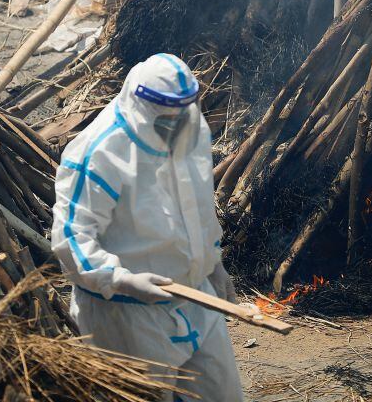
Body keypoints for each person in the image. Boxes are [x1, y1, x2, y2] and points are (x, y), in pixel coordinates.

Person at [52, 53, 243, 402]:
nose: (174, 126)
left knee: (222, 393)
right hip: (126, 315)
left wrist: (214, 264)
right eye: (164, 119)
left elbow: (199, 206)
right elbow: (71, 238)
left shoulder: (192, 129)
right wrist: (121, 280)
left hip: (195, 298)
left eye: (181, 116)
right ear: (141, 107)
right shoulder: (100, 152)